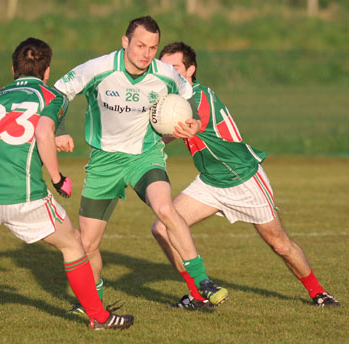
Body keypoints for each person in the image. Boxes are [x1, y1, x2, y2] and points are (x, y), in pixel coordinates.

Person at [0, 38, 134, 332]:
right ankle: (99, 317)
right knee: (73, 245)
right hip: (24, 194)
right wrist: (58, 179)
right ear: (47, 71)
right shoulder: (52, 96)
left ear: (13, 68)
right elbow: (42, 132)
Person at [53, 16, 229, 315]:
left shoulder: (165, 74)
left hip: (145, 156)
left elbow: (190, 97)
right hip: (104, 161)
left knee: (165, 209)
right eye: (140, 45)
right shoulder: (99, 68)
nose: (146, 53)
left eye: (152, 47)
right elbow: (57, 93)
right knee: (88, 244)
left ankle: (202, 282)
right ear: (125, 42)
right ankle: (92, 303)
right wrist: (59, 129)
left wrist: (194, 122)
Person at [152, 41, 340, 309]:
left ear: (191, 69)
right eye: (164, 68)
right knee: (162, 228)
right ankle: (197, 294)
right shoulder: (175, 100)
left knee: (280, 244)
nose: (169, 73)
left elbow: (190, 123)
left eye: (175, 68)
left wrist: (164, 136)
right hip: (210, 182)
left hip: (243, 179)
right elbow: (171, 130)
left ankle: (318, 292)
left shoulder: (199, 96)